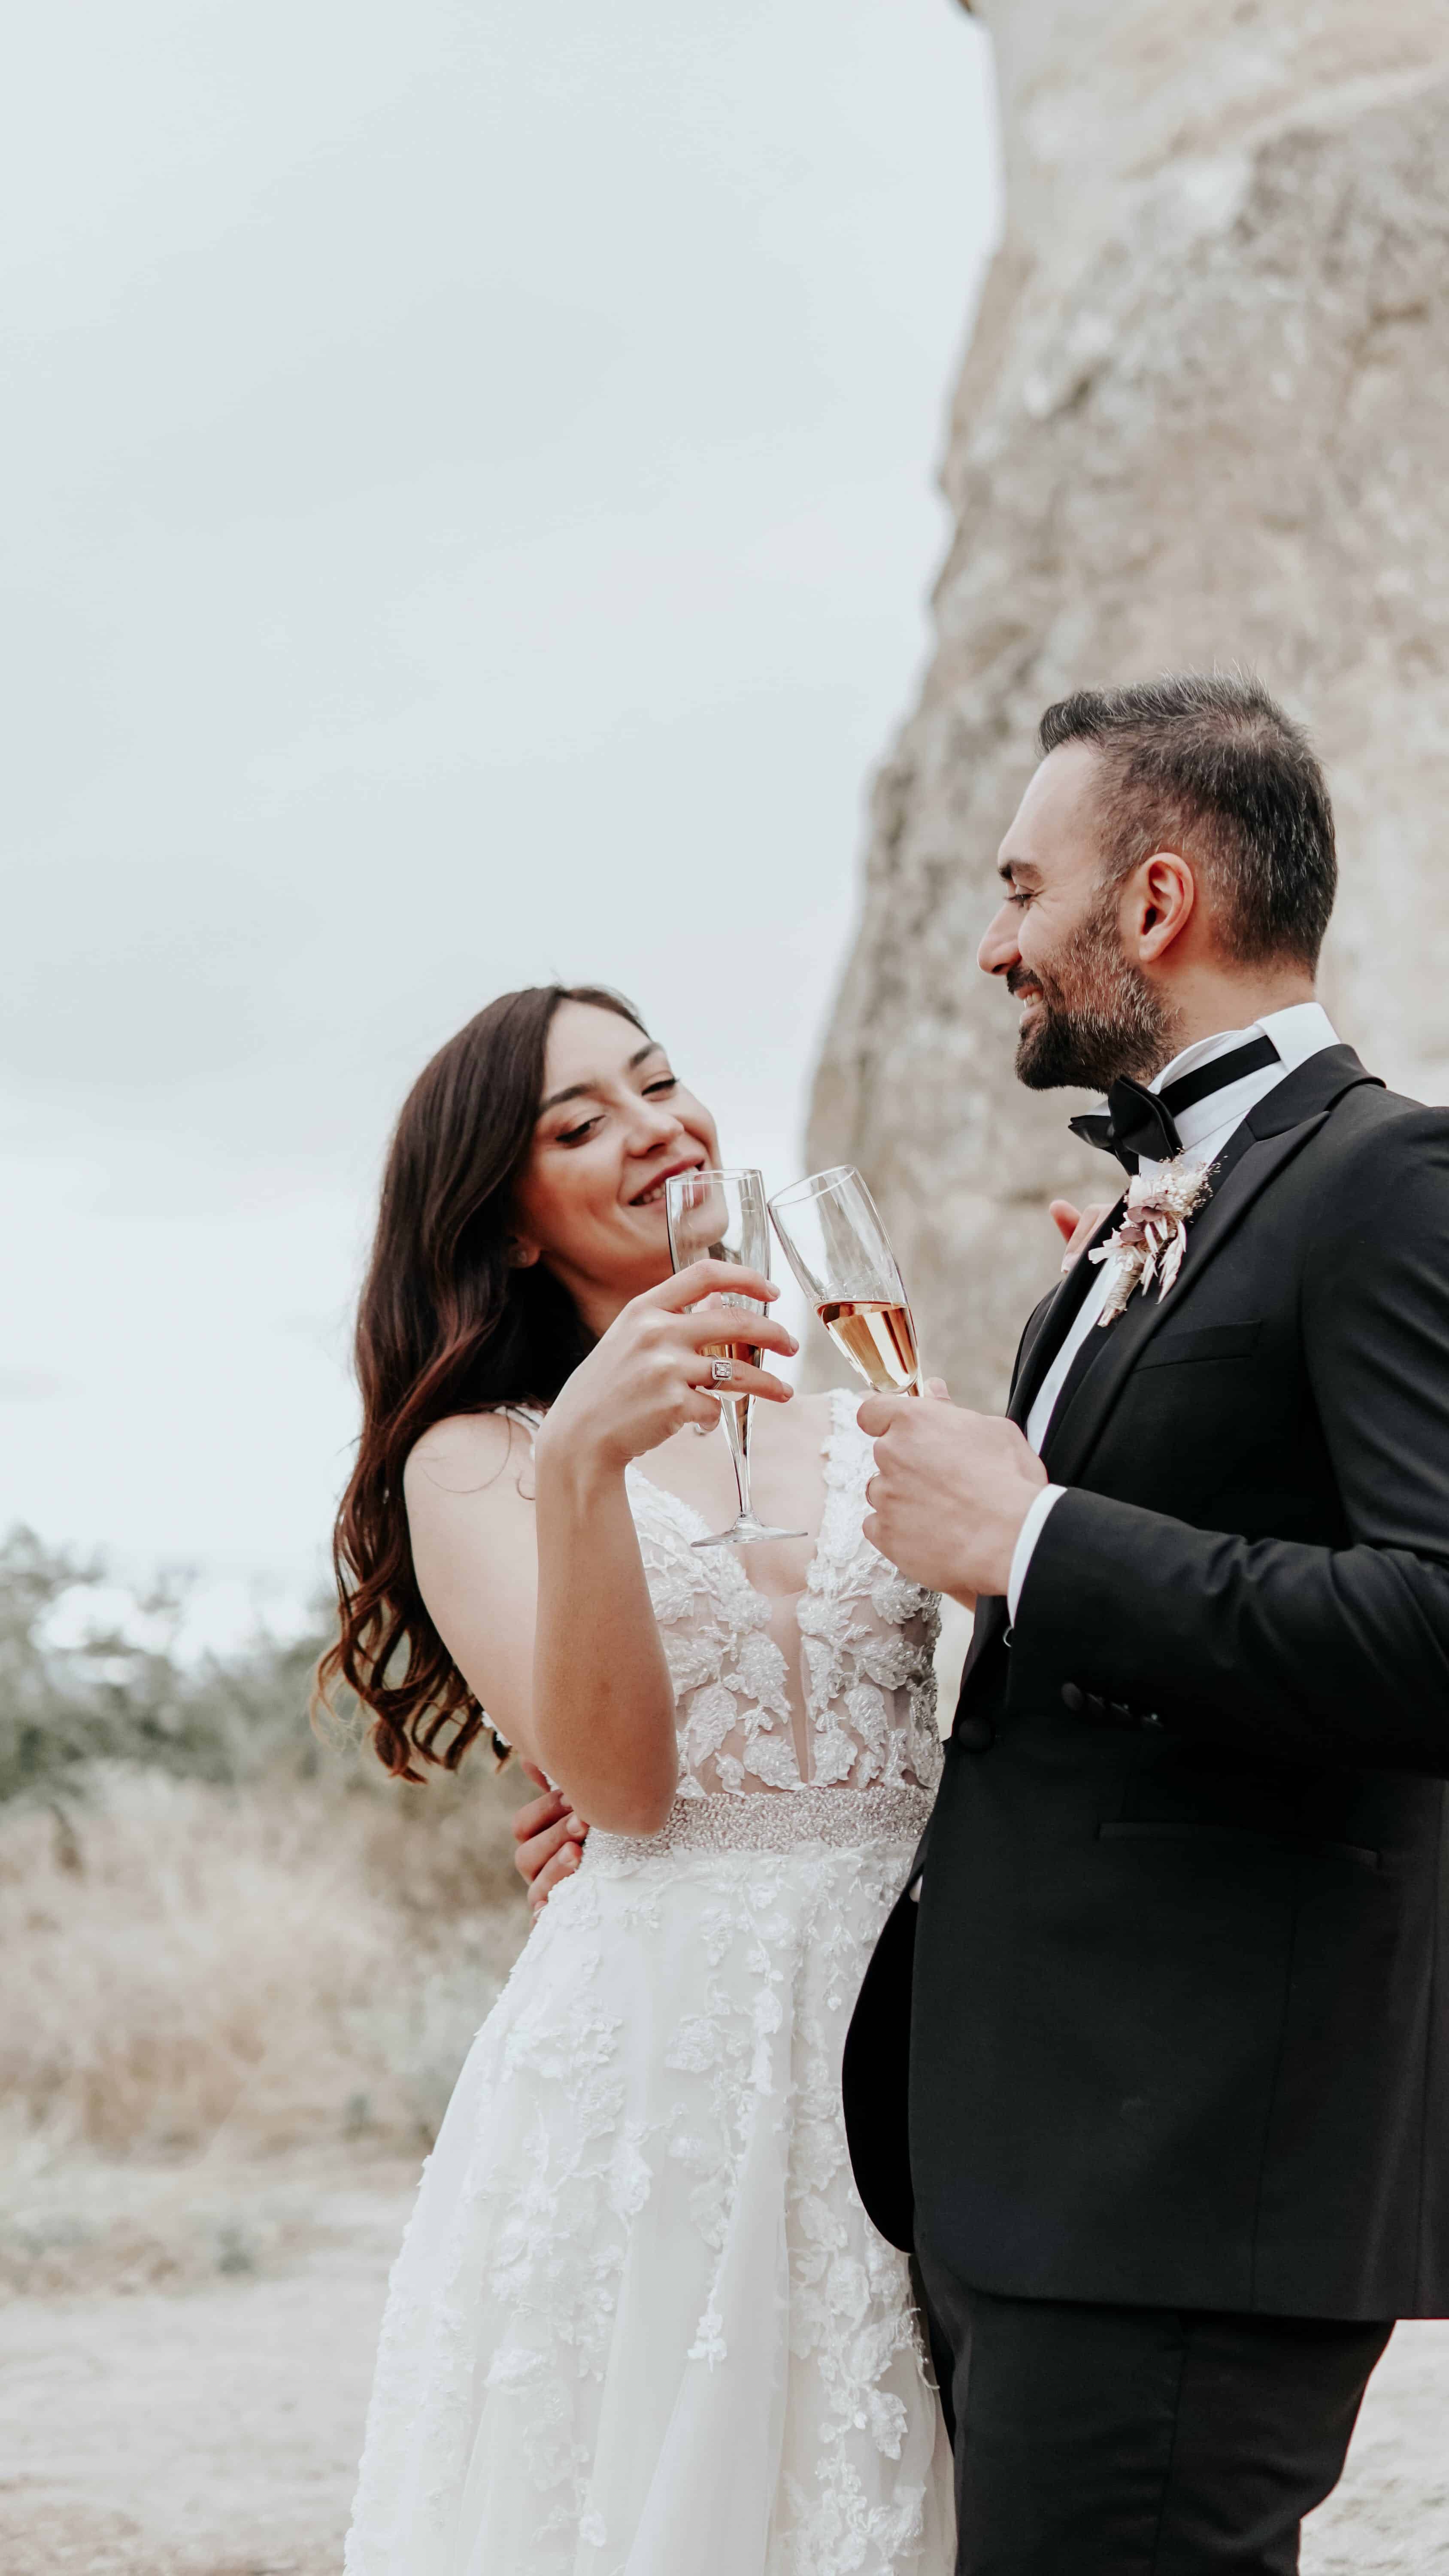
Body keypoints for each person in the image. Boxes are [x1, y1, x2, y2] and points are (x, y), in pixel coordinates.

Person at [843, 673, 1449, 2572]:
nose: (992, 943)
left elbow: (1435, 1631)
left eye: (1024, 889)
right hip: (1043, 2159)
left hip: (1188, 2168)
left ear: (1157, 905)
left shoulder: (1386, 1185)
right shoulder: (1137, 1222)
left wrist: (1035, 1543)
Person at [331, 982, 960, 2576]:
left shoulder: (869, 1413)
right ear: (513, 1219)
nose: (653, 1128)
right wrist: (589, 1465)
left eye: (661, 1083)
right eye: (579, 1122)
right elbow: (616, 1789)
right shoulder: (478, 1456)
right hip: (663, 2056)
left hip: (925, 2022)